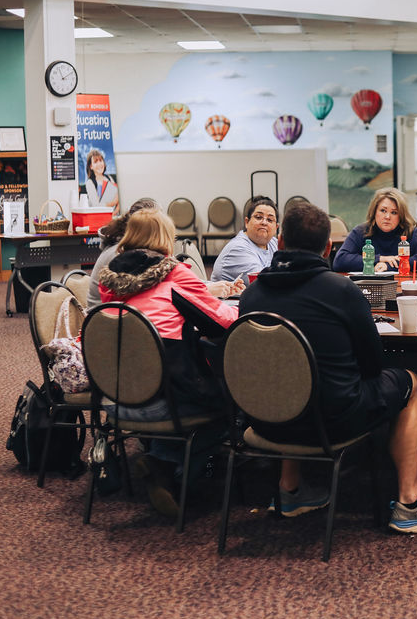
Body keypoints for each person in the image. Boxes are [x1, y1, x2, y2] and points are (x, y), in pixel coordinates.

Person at [239, 201, 417, 533]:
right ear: (328, 247)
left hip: (267, 419)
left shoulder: (252, 295)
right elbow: (374, 364)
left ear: (280, 242)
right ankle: (411, 501)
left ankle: (290, 490)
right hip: (334, 420)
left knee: (287, 379)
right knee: (410, 383)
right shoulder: (342, 291)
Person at [97, 209, 239, 519]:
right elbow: (222, 321)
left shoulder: (111, 283)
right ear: (165, 239)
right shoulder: (176, 275)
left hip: (113, 401)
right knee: (231, 410)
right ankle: (171, 470)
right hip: (162, 403)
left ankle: (160, 461)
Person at [88, 198, 243, 307]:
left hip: (123, 323)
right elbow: (160, 292)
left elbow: (172, 284)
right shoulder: (122, 257)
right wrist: (208, 290)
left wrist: (210, 286)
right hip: (113, 329)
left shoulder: (135, 252)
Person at [332, 187, 417, 273]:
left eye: (394, 212)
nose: (387, 217)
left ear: (400, 216)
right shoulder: (361, 231)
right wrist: (380, 259)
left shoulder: (409, 232)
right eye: (383, 211)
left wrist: (388, 266)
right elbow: (340, 261)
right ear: (374, 212)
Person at [210, 195, 278, 282]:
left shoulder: (273, 243)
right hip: (232, 295)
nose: (264, 222)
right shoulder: (237, 249)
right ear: (247, 222)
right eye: (258, 217)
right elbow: (265, 284)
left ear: (276, 227)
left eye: (270, 219)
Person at [84, 148, 119, 214]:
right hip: (97, 217)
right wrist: (113, 202)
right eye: (95, 162)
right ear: (91, 166)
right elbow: (96, 206)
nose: (99, 164)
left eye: (100, 160)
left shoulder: (109, 178)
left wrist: (114, 214)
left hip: (112, 216)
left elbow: (118, 199)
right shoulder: (90, 183)